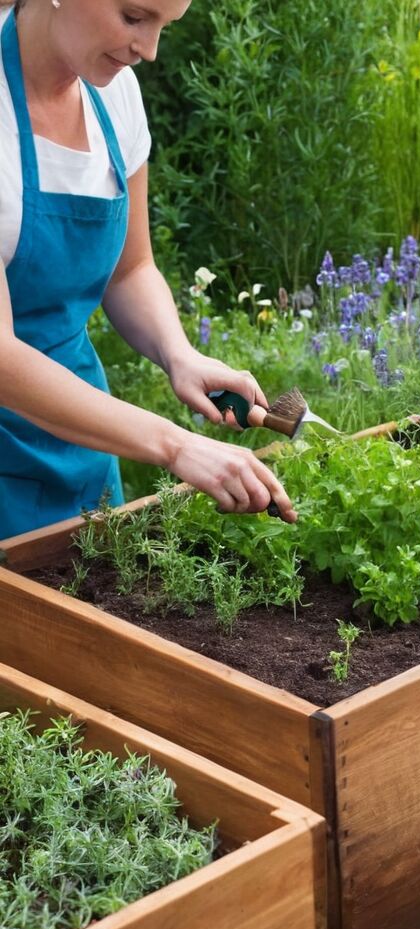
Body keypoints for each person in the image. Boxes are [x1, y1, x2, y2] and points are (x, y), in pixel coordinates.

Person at [0, 0, 296, 540]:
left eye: (164, 25)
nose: (150, 51)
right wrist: (176, 445)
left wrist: (178, 354)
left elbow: (130, 269)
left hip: (83, 436)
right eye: (135, 17)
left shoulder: (113, 93)